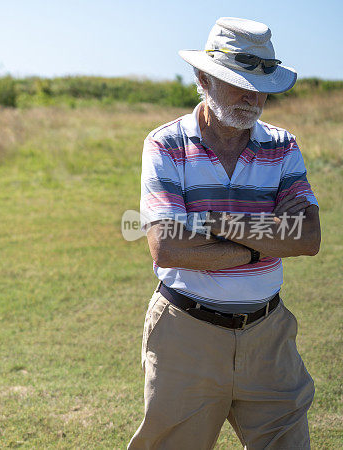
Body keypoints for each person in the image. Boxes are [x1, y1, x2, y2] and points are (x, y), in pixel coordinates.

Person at [129, 18, 321, 449]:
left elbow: (308, 239)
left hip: (269, 336)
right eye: (238, 82)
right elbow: (168, 247)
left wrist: (212, 222)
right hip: (186, 334)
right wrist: (266, 243)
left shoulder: (283, 145)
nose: (252, 95)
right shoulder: (165, 145)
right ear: (203, 78)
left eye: (261, 83)